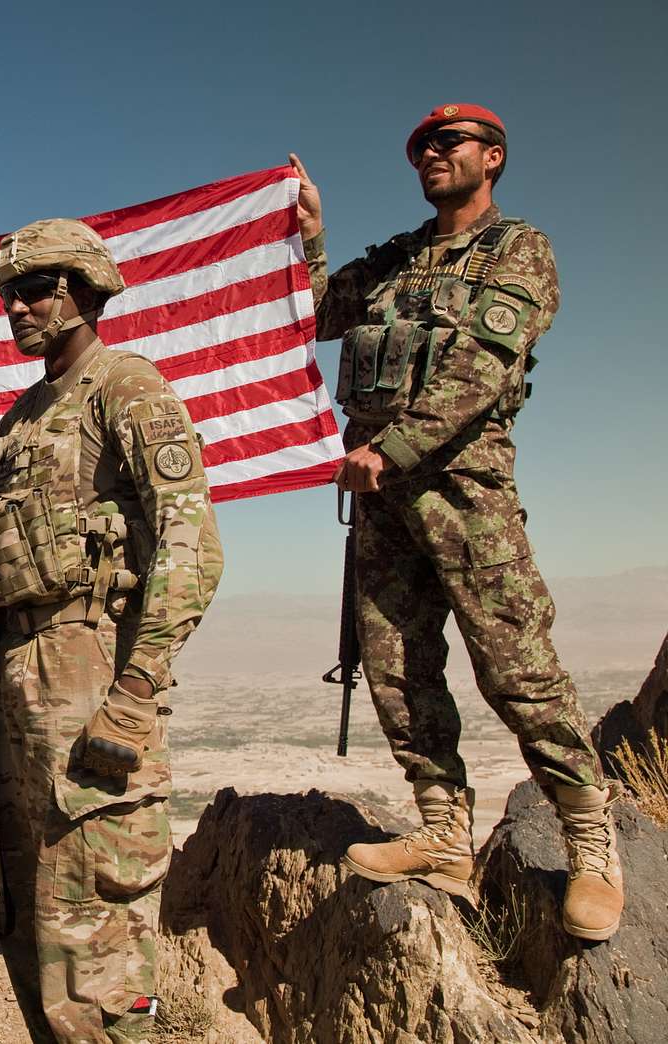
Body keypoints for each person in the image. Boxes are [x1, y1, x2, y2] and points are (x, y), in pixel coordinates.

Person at [292, 103, 625, 941]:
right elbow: (320, 315)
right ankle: (443, 831)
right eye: (420, 148)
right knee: (398, 665)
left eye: (448, 144)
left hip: (460, 489)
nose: (430, 156)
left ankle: (590, 837)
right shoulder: (398, 259)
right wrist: (313, 235)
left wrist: (392, 447)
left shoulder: (518, 250)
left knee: (516, 661)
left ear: (494, 156)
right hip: (381, 497)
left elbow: (481, 366)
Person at [0, 219, 222, 1041]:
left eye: (36, 290)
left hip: (95, 664)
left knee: (99, 915)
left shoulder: (125, 389)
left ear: (85, 292)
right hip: (20, 677)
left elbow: (191, 545)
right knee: (29, 912)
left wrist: (137, 688)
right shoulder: (17, 422)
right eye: (8, 294)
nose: (16, 307)